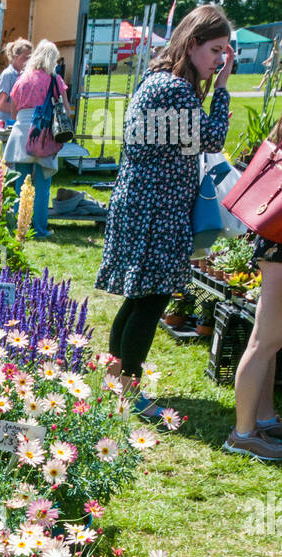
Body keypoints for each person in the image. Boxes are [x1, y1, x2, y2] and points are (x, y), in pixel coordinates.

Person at [96, 6, 233, 418]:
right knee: (151, 301)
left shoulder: (160, 81)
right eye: (215, 50)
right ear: (191, 45)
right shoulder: (173, 89)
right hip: (155, 208)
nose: (220, 60)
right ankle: (125, 393)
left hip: (146, 203)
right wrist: (222, 88)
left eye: (225, 52)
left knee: (140, 298)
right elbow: (211, 138)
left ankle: (115, 385)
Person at [223, 114, 282, 461]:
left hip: (273, 244)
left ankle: (262, 418)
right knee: (265, 341)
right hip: (279, 248)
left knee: (269, 340)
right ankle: (242, 434)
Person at [3, 40, 70, 239]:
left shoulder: (21, 79)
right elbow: (65, 109)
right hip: (44, 133)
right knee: (42, 184)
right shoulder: (54, 79)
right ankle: (40, 229)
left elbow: (14, 113)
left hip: (21, 133)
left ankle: (19, 227)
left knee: (20, 184)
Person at [0, 39, 31, 130]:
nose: (29, 61)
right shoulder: (8, 75)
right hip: (3, 126)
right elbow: (2, 104)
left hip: (15, 125)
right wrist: (22, 110)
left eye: (30, 58)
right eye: (26, 58)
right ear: (16, 56)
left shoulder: (23, 75)